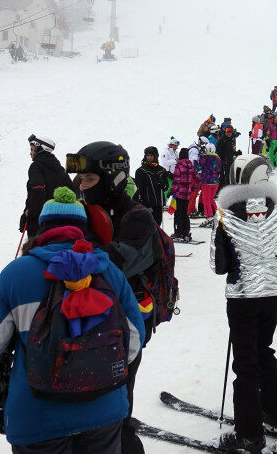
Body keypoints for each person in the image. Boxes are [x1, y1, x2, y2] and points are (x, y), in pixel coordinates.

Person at [0, 187, 145, 453]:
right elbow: (134, 340)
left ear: (43, 227)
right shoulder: (108, 270)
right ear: (83, 228)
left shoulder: (14, 275)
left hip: (37, 417)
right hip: (105, 411)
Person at [67, 141, 162, 454]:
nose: (82, 186)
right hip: (89, 322)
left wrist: (77, 251)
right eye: (80, 180)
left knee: (115, 404)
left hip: (128, 324)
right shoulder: (84, 210)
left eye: (90, 180)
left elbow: (112, 266)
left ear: (113, 178)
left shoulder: (137, 219)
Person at [211, 155, 277, 452]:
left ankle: (249, 435)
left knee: (245, 364)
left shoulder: (225, 216)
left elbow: (218, 265)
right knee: (264, 350)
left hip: (243, 298)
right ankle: (275, 412)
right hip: (274, 294)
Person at [21, 135, 73, 238]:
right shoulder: (59, 168)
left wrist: (31, 213)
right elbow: (71, 190)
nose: (30, 153)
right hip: (61, 220)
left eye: (32, 149)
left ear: (39, 148)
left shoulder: (36, 166)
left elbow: (38, 190)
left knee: (37, 249)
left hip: (41, 221)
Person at [134, 146, 169, 226]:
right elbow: (139, 187)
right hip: (147, 202)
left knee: (158, 223)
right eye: (148, 155)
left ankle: (157, 238)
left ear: (155, 156)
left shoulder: (161, 170)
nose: (149, 157)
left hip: (158, 202)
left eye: (151, 155)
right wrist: (140, 200)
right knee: (148, 224)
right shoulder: (141, 170)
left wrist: (162, 185)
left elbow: (166, 186)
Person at [172, 148, 201, 241]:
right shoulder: (190, 165)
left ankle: (178, 232)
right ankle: (186, 231)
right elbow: (198, 179)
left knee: (178, 213)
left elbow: (177, 180)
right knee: (185, 213)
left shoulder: (179, 166)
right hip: (187, 194)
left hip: (179, 193)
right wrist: (193, 188)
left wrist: (172, 191)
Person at [198, 143, 221, 225]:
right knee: (211, 199)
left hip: (206, 181)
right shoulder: (217, 158)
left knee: (206, 201)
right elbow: (219, 168)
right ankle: (217, 215)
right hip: (215, 181)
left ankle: (209, 217)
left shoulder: (203, 158)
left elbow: (198, 168)